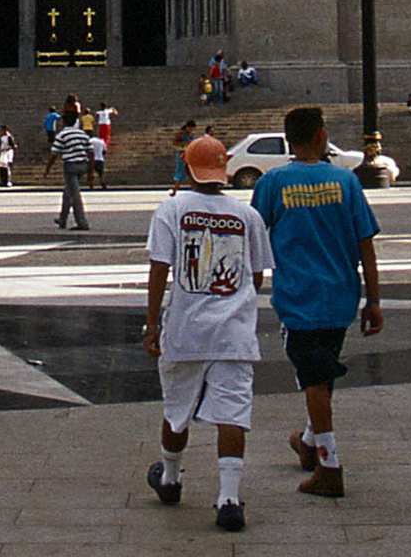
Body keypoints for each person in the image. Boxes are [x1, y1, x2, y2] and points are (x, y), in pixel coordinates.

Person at [142, 135, 273, 533]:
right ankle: (229, 498)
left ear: (188, 168)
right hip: (233, 333)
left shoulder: (171, 210)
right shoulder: (246, 215)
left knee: (177, 407)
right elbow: (256, 274)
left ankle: (170, 477)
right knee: (232, 413)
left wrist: (153, 323)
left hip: (185, 330)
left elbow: (159, 269)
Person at [252, 107, 383, 499]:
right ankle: (309, 441)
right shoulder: (346, 181)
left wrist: (250, 290)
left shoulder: (273, 182)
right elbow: (366, 244)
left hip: (298, 299)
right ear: (323, 136)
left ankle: (329, 463)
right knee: (321, 374)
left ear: (288, 139)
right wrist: (373, 299)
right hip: (341, 296)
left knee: (312, 378)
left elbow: (255, 241)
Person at [48, 114, 96, 230]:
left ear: (64, 122)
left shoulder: (62, 135)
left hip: (70, 166)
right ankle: (62, 219)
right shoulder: (82, 134)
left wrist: (48, 168)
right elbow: (91, 152)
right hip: (83, 165)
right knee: (68, 192)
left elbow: (54, 153)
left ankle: (82, 222)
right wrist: (90, 171)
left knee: (75, 195)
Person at [171, 120, 198, 190]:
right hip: (182, 155)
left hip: (189, 154)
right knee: (180, 171)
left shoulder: (191, 135)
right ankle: (175, 188)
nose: (191, 130)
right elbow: (174, 144)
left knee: (190, 171)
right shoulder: (181, 134)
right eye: (191, 128)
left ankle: (194, 187)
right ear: (187, 127)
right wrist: (183, 147)